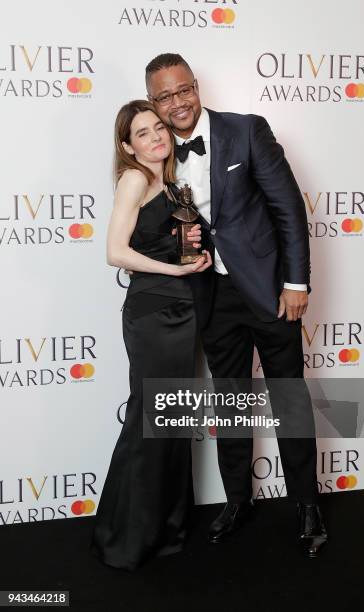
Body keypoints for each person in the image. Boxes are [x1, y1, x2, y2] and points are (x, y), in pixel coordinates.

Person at [144, 53, 328, 558]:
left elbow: (287, 207)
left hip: (269, 290)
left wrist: (295, 282)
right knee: (230, 404)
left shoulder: (246, 130)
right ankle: (237, 501)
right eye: (164, 96)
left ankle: (307, 505)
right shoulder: (157, 154)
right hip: (211, 297)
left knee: (288, 398)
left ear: (196, 87)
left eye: (183, 90)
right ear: (154, 104)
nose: (176, 103)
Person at [90, 99, 211, 572]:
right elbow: (115, 252)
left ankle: (164, 529)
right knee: (150, 420)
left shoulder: (171, 183)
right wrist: (170, 270)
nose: (157, 137)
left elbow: (165, 241)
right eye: (142, 133)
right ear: (127, 145)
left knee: (170, 422)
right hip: (154, 314)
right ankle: (125, 539)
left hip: (180, 311)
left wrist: (191, 260)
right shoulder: (135, 179)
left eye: (158, 128)